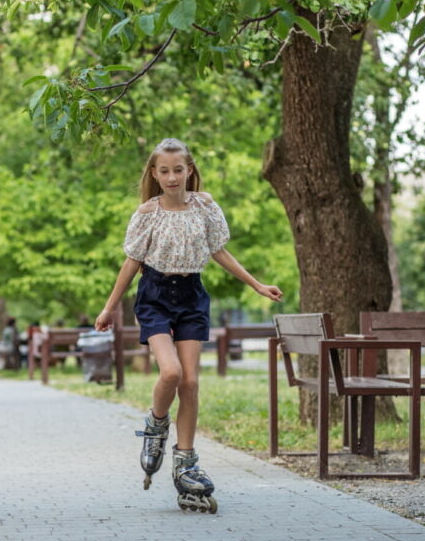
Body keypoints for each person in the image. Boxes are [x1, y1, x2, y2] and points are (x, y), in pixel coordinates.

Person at [94, 137, 283, 514]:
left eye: (178, 169)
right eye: (164, 171)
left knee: (192, 382)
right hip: (155, 296)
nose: (171, 177)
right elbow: (131, 263)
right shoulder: (147, 214)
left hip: (192, 295)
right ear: (154, 173)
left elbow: (219, 251)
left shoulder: (205, 207)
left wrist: (256, 284)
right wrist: (109, 308)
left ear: (190, 170)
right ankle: (155, 427)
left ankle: (185, 462)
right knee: (171, 373)